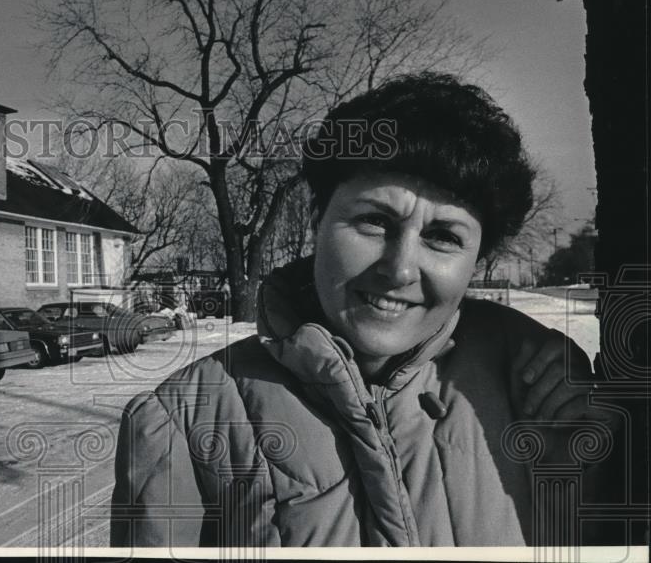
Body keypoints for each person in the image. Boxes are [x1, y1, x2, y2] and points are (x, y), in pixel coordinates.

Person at [110, 73, 612, 547]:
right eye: (373, 221)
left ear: (477, 263)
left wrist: (578, 474)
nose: (399, 269)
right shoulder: (182, 422)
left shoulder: (537, 389)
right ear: (317, 219)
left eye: (443, 237)